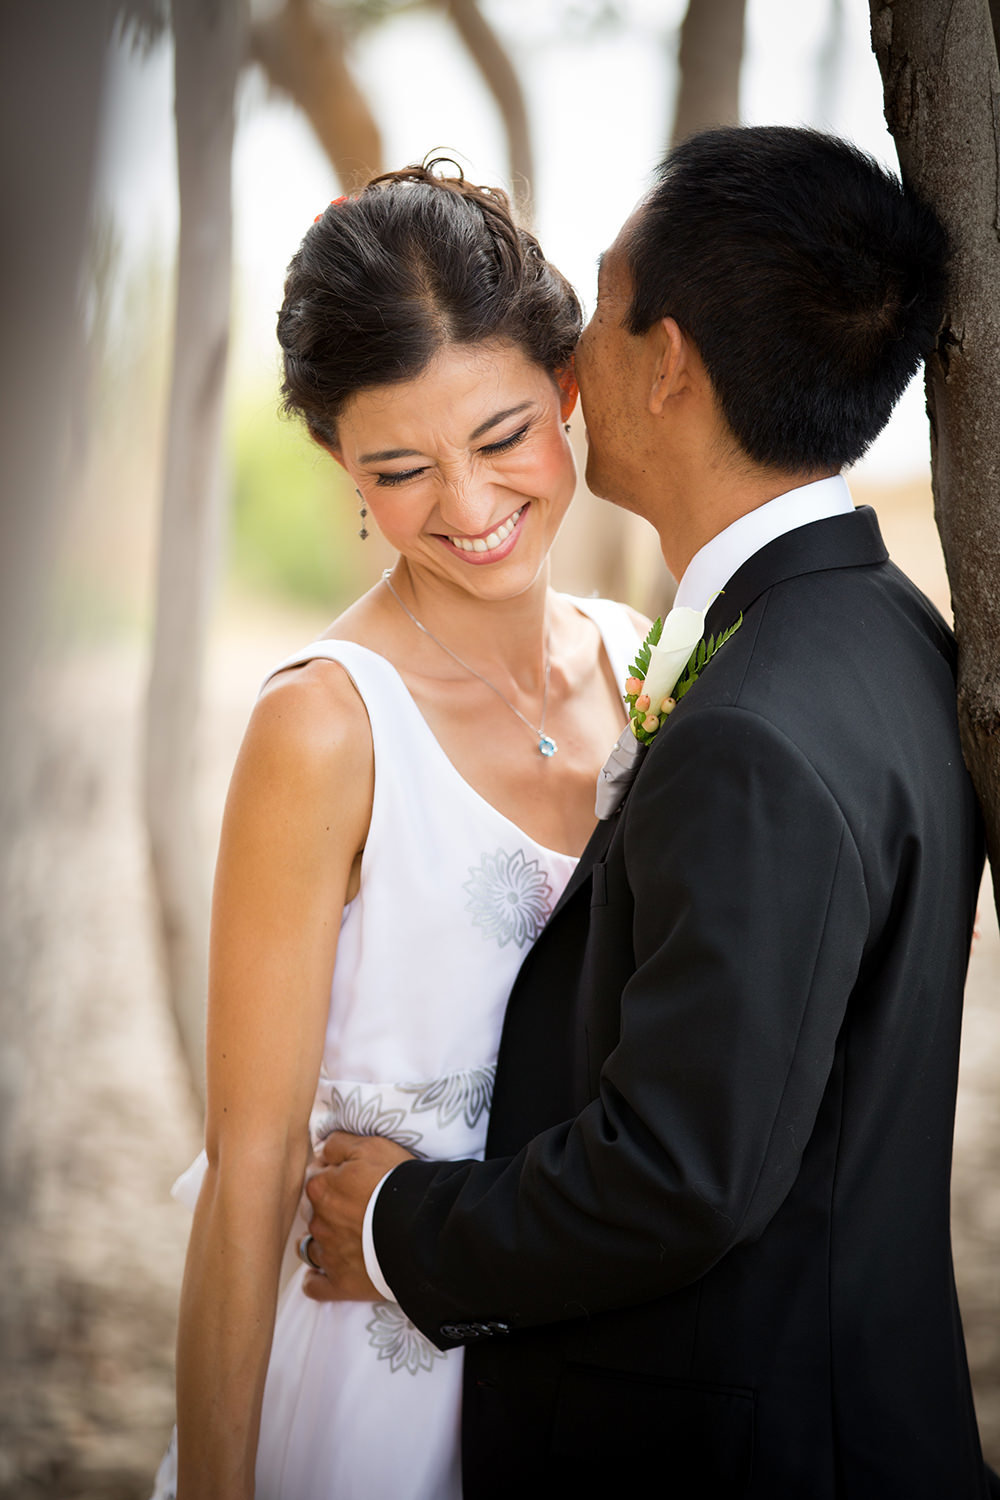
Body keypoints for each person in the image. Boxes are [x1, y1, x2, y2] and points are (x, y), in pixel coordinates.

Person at [304, 127, 997, 1498]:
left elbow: (681, 1171)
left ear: (669, 361)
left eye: (602, 314)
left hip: (755, 1449)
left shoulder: (751, 735)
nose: (568, 363)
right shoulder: (888, 633)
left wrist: (395, 1225)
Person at [150, 164, 645, 1500]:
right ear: (341, 466)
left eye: (502, 438)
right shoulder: (323, 728)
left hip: (593, 1360)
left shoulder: (646, 667)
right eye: (402, 469)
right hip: (376, 1384)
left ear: (571, 390)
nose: (471, 510)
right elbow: (248, 1173)